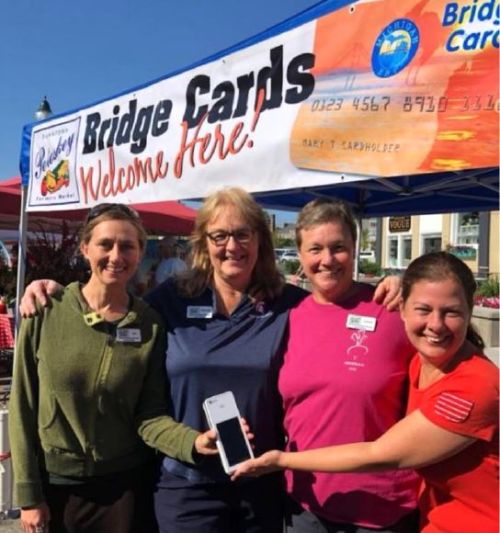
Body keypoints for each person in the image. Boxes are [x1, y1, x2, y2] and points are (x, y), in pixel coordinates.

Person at [19, 190, 401, 533]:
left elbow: (334, 304)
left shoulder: (288, 304)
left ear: (259, 242)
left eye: (242, 234)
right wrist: (58, 293)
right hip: (185, 484)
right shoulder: (170, 301)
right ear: (204, 243)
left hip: (261, 484)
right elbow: (115, 314)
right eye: (219, 236)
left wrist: (392, 287)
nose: (231, 246)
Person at [232, 251, 499, 533]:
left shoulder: (475, 386)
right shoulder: (423, 362)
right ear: (402, 309)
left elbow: (381, 454)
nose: (435, 324)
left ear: (470, 310)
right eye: (423, 309)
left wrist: (281, 460)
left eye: (451, 312)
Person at [9, 203, 217, 533]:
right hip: (58, 486)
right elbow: (22, 407)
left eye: (128, 246)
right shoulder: (47, 309)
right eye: (105, 244)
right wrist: (28, 495)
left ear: (139, 253)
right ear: (85, 248)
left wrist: (191, 443)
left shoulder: (149, 323)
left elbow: (149, 413)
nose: (116, 256)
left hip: (126, 489)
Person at [273, 199, 420, 532]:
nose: (327, 260)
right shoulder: (289, 317)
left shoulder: (391, 309)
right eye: (315, 249)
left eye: (338, 247)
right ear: (299, 256)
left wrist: (404, 285)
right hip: (306, 503)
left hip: (380, 507)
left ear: (355, 249)